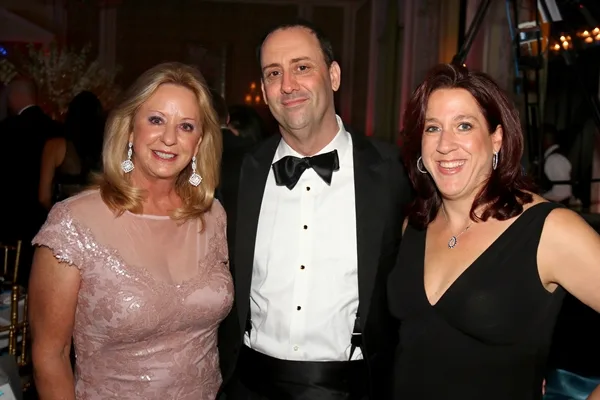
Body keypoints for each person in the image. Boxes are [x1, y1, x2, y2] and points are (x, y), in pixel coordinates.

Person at [218, 20, 412, 400]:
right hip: (249, 386)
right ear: (264, 91)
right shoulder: (236, 173)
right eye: (274, 73)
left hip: (354, 388)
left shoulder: (394, 173)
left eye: (302, 67)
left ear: (333, 76)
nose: (288, 85)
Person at [388, 63, 600, 399]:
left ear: (496, 138)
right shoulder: (414, 226)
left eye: (464, 125)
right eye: (432, 128)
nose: (445, 144)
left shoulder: (549, 230)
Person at [29, 62, 232, 400]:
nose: (169, 138)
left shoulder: (212, 216)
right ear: (129, 129)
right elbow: (50, 356)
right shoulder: (73, 222)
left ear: (198, 143)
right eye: (156, 120)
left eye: (185, 126)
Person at [38, 90, 105, 209]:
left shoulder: (55, 146)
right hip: (98, 213)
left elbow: (44, 197)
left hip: (68, 212)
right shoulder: (108, 147)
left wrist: (58, 215)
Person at [540, 124, 572, 205]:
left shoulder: (554, 159)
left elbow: (562, 192)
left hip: (558, 204)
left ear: (546, 140)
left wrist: (541, 198)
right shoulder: (557, 156)